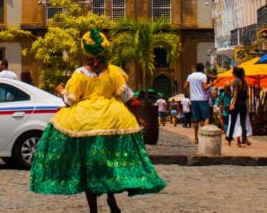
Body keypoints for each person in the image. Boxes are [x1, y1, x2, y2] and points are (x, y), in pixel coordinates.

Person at [30, 29, 165, 213]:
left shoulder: (79, 74)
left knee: (90, 167)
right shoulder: (114, 72)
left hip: (85, 124)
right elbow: (127, 97)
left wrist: (60, 89)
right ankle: (111, 197)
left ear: (85, 52)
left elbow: (70, 100)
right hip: (113, 121)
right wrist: (138, 116)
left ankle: (93, 209)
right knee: (109, 162)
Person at [184, 62, 211, 144]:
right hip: (202, 99)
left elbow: (185, 87)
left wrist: (190, 94)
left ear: (196, 68)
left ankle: (196, 138)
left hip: (193, 99)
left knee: (196, 120)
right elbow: (205, 88)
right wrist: (211, 84)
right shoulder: (203, 76)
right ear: (202, 68)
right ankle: (205, 137)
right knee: (206, 118)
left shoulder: (190, 76)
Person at [227, 66, 249, 148]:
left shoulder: (237, 81)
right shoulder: (244, 82)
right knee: (243, 122)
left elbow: (235, 93)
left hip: (237, 103)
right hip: (244, 103)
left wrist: (233, 104)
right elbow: (247, 96)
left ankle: (229, 140)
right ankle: (244, 140)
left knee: (233, 122)